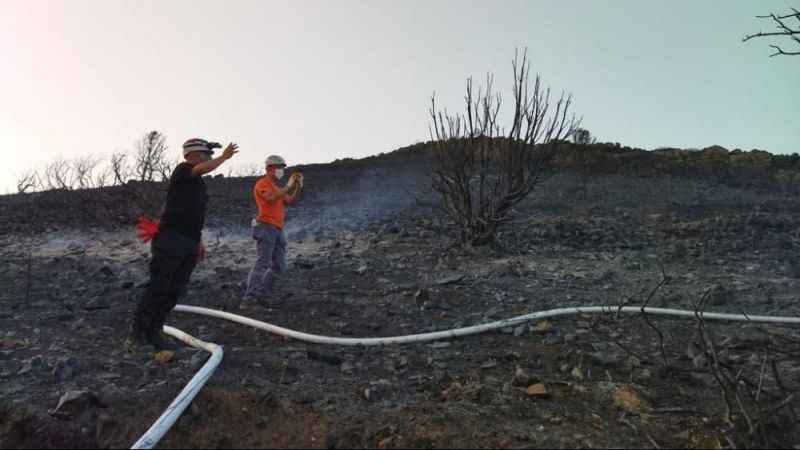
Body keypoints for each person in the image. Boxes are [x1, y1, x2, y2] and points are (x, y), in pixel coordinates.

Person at [126, 138, 239, 351]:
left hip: (189, 242)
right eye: (206, 155)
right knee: (159, 286)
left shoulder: (198, 185)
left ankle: (155, 331)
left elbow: (193, 214)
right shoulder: (183, 170)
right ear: (194, 155)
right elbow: (200, 170)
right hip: (170, 239)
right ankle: (137, 334)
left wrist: (199, 241)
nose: (209, 159)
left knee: (175, 290)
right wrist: (225, 157)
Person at [241, 155, 303, 308]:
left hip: (277, 228)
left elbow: (290, 201)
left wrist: (297, 186)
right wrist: (288, 186)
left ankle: (262, 294)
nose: (281, 171)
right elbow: (269, 198)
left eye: (282, 168)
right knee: (263, 262)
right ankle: (249, 298)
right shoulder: (263, 183)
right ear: (269, 168)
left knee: (279, 266)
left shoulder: (277, 187)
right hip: (265, 226)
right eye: (279, 167)